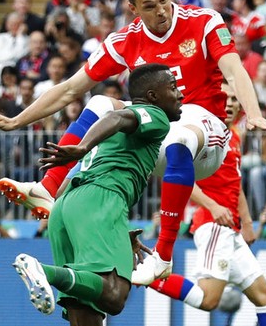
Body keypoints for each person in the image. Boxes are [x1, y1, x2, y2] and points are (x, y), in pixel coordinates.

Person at [0, 0, 266, 285]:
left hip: (205, 136)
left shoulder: (204, 21)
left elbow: (233, 70)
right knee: (99, 104)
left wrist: (253, 111)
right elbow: (69, 89)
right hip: (159, 134)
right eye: (150, 5)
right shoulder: (125, 40)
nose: (161, 10)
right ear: (133, 8)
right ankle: (47, 188)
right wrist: (16, 120)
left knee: (180, 137)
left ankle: (162, 256)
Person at [11, 64, 182, 323]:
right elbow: (116, 117)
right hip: (100, 200)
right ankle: (43, 271)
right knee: (115, 294)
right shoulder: (154, 116)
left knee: (87, 317)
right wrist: (81, 147)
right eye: (173, 87)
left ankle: (49, 273)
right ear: (152, 96)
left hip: (67, 205)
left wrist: (111, 230)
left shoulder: (121, 138)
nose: (180, 94)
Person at [146, 82, 266, 326]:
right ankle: (146, 275)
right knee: (209, 300)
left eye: (234, 98)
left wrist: (248, 221)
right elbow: (180, 175)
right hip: (213, 224)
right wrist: (213, 206)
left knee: (265, 295)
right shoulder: (204, 136)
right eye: (225, 97)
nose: (229, 102)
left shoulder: (234, 136)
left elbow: (235, 181)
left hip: (231, 227)